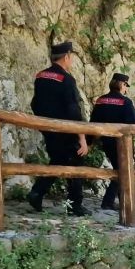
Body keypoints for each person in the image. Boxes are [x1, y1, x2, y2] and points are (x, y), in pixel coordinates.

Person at [28, 41, 91, 216]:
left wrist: (43, 124)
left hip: (48, 129)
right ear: (67, 57)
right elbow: (73, 110)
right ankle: (75, 205)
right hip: (66, 131)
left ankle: (37, 192)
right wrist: (82, 138)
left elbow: (35, 103)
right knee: (76, 165)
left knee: (58, 161)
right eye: (71, 58)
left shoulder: (40, 76)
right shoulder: (66, 79)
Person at [89, 73, 135, 211]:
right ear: (122, 85)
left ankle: (120, 199)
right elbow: (134, 123)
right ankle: (109, 201)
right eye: (126, 86)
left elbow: (93, 122)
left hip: (106, 141)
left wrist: (89, 142)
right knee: (122, 170)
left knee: (119, 168)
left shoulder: (101, 100)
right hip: (122, 143)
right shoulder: (125, 102)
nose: (126, 89)